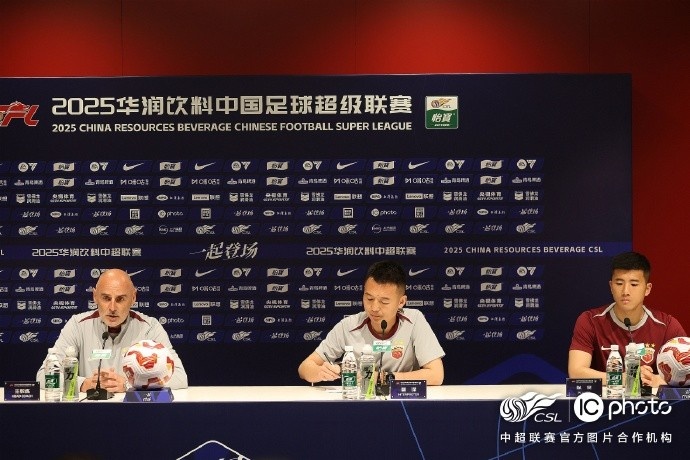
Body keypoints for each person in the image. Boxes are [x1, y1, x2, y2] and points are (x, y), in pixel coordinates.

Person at [37, 268, 188, 393]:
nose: (112, 308)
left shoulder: (149, 328)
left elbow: (180, 377)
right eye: (106, 298)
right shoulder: (78, 325)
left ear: (133, 298)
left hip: (135, 411)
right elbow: (44, 375)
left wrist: (129, 385)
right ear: (95, 296)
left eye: (120, 299)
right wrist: (83, 384)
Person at [298, 260, 445, 385]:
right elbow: (304, 368)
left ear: (401, 302)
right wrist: (320, 372)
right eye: (369, 298)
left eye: (384, 301)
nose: (374, 307)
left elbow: (436, 375)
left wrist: (382, 378)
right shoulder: (348, 326)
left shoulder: (414, 320)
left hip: (402, 400)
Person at [568, 251, 686, 388]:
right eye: (619, 283)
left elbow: (687, 368)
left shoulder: (667, 325)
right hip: (607, 399)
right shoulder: (590, 320)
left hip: (651, 400)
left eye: (634, 284)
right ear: (611, 286)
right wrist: (623, 378)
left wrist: (660, 379)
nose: (625, 291)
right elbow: (576, 372)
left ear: (647, 289)